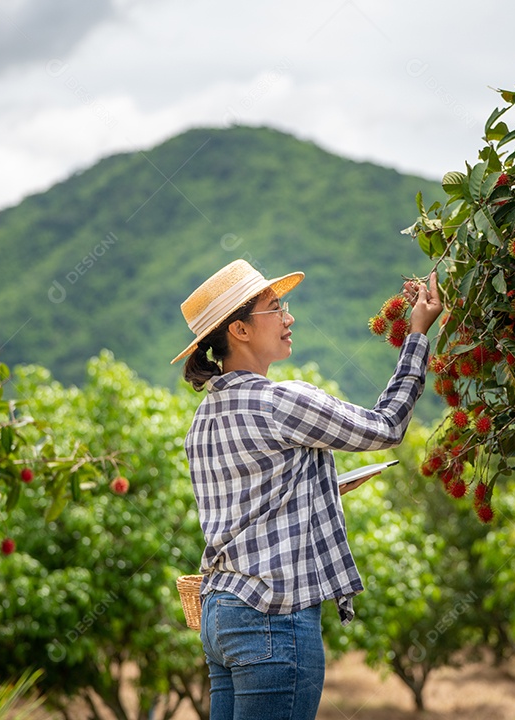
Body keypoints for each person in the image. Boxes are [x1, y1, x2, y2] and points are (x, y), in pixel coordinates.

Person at [171, 258, 441, 720]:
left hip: (221, 614)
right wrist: (417, 334)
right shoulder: (280, 401)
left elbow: (252, 504)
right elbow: (386, 426)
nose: (288, 317)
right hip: (272, 616)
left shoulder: (202, 419)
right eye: (275, 307)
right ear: (239, 330)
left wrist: (323, 489)